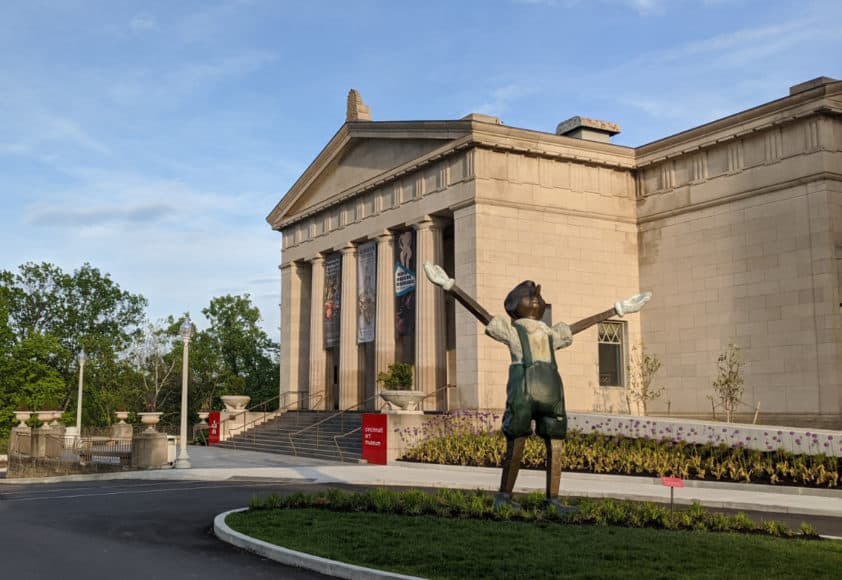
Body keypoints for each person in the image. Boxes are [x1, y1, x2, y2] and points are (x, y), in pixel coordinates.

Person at [423, 262, 651, 511]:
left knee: (556, 442)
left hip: (552, 394)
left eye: (537, 296)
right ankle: (505, 497)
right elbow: (484, 315)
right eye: (528, 295)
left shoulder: (552, 334)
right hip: (523, 392)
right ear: (513, 306)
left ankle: (553, 499)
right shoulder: (512, 332)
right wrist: (450, 286)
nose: (534, 298)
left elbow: (577, 327)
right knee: (517, 439)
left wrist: (617, 310)